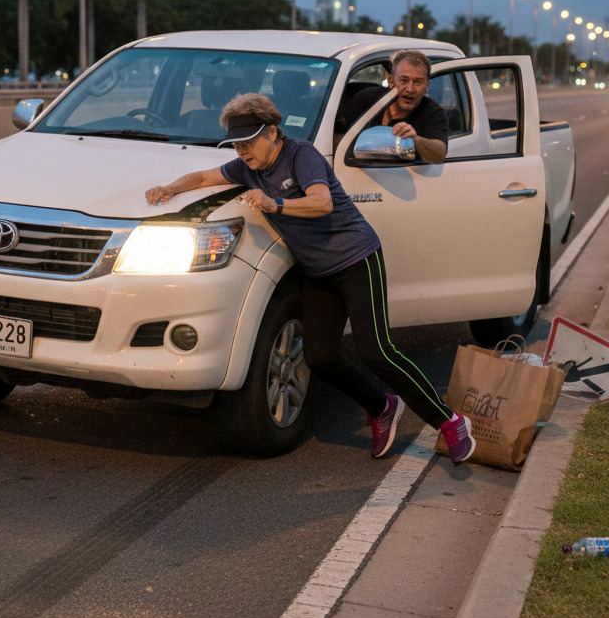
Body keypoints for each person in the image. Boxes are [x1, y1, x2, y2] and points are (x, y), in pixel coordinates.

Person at [144, 91, 476, 463]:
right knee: (319, 357)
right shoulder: (247, 166)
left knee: (377, 351)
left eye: (248, 141)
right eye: (236, 144)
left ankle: (449, 421)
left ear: (272, 132)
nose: (242, 151)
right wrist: (171, 188)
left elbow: (323, 201)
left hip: (356, 259)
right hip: (318, 271)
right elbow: (206, 175)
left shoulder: (301, 155)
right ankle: (382, 407)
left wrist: (276, 204)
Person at [335, 49, 448, 163]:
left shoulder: (433, 112)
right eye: (404, 80)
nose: (410, 89)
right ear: (390, 80)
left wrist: (415, 140)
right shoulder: (366, 99)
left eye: (418, 82)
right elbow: (335, 138)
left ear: (427, 85)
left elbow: (439, 154)